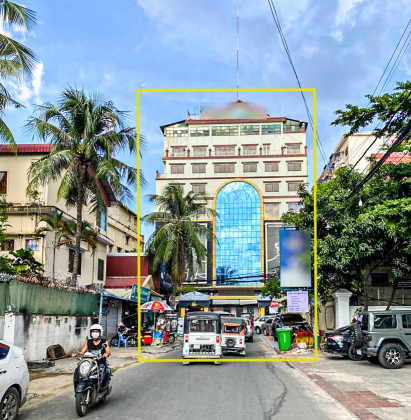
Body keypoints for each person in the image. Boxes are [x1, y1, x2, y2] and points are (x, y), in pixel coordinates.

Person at [72, 324, 111, 388]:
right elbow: (82, 352)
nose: (94, 333)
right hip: (89, 361)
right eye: (93, 331)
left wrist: (106, 354)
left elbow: (108, 351)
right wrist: (76, 354)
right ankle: (77, 386)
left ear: (100, 332)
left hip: (100, 361)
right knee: (78, 369)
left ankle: (101, 387)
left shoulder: (104, 342)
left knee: (102, 370)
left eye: (96, 331)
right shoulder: (88, 342)